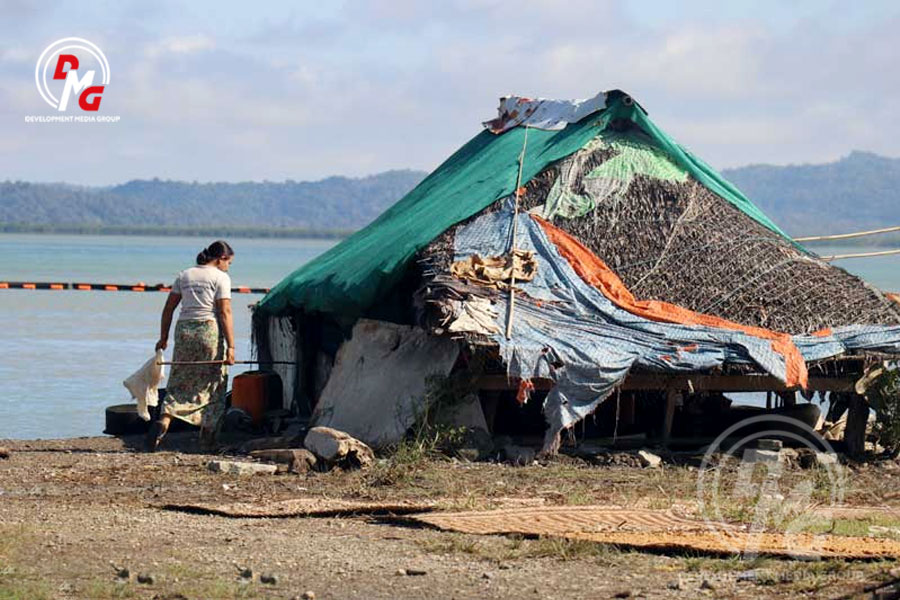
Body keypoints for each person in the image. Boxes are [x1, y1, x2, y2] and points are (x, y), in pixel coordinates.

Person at [146, 240, 236, 451]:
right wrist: (231, 346)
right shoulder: (221, 277)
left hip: (184, 331)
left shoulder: (184, 275)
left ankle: (164, 422)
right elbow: (224, 312)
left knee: (179, 379)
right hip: (208, 331)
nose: (228, 267)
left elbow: (168, 308)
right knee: (214, 382)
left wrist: (163, 337)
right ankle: (207, 438)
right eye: (229, 262)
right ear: (221, 258)